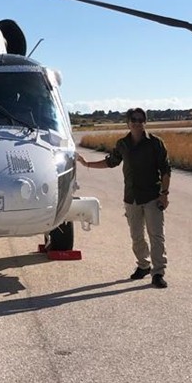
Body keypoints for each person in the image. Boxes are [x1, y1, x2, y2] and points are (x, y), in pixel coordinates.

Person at [76, 106, 172, 288]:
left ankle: (158, 272)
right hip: (132, 198)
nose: (137, 123)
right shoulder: (123, 144)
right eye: (133, 120)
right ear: (128, 123)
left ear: (145, 122)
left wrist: (164, 195)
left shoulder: (155, 143)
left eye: (140, 120)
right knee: (136, 236)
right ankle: (143, 265)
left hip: (152, 196)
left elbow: (165, 169)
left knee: (156, 236)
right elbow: (111, 162)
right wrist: (87, 163)